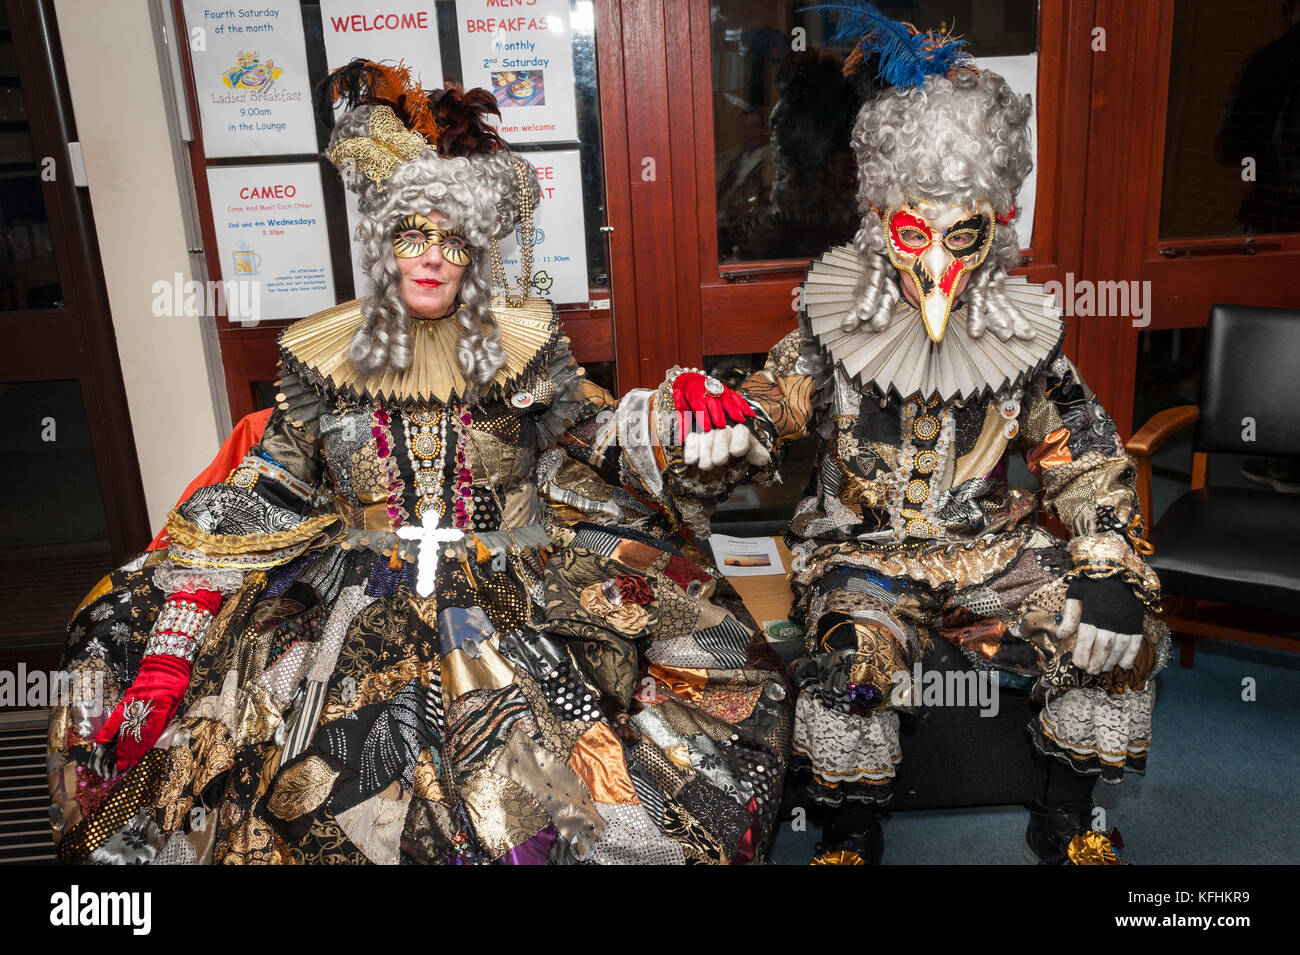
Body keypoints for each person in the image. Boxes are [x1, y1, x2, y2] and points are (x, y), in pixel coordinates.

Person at [47, 61, 789, 865]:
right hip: (355, 607)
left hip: (514, 596)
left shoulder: (525, 350)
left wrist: (683, 419)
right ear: (383, 242)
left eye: (451, 239)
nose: (431, 258)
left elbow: (599, 435)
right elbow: (275, 480)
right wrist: (178, 601)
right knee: (307, 780)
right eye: (412, 235)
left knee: (549, 796)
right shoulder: (323, 359)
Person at [691, 6, 1169, 864]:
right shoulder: (834, 322)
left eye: (963, 232)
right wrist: (731, 418)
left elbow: (1087, 456)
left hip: (988, 550)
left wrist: (1107, 565)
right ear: (881, 218)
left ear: (996, 223)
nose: (939, 259)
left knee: (1113, 626)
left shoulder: (1026, 342)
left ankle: (1063, 814)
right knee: (851, 665)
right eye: (917, 230)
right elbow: (777, 396)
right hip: (861, 553)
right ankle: (851, 827)